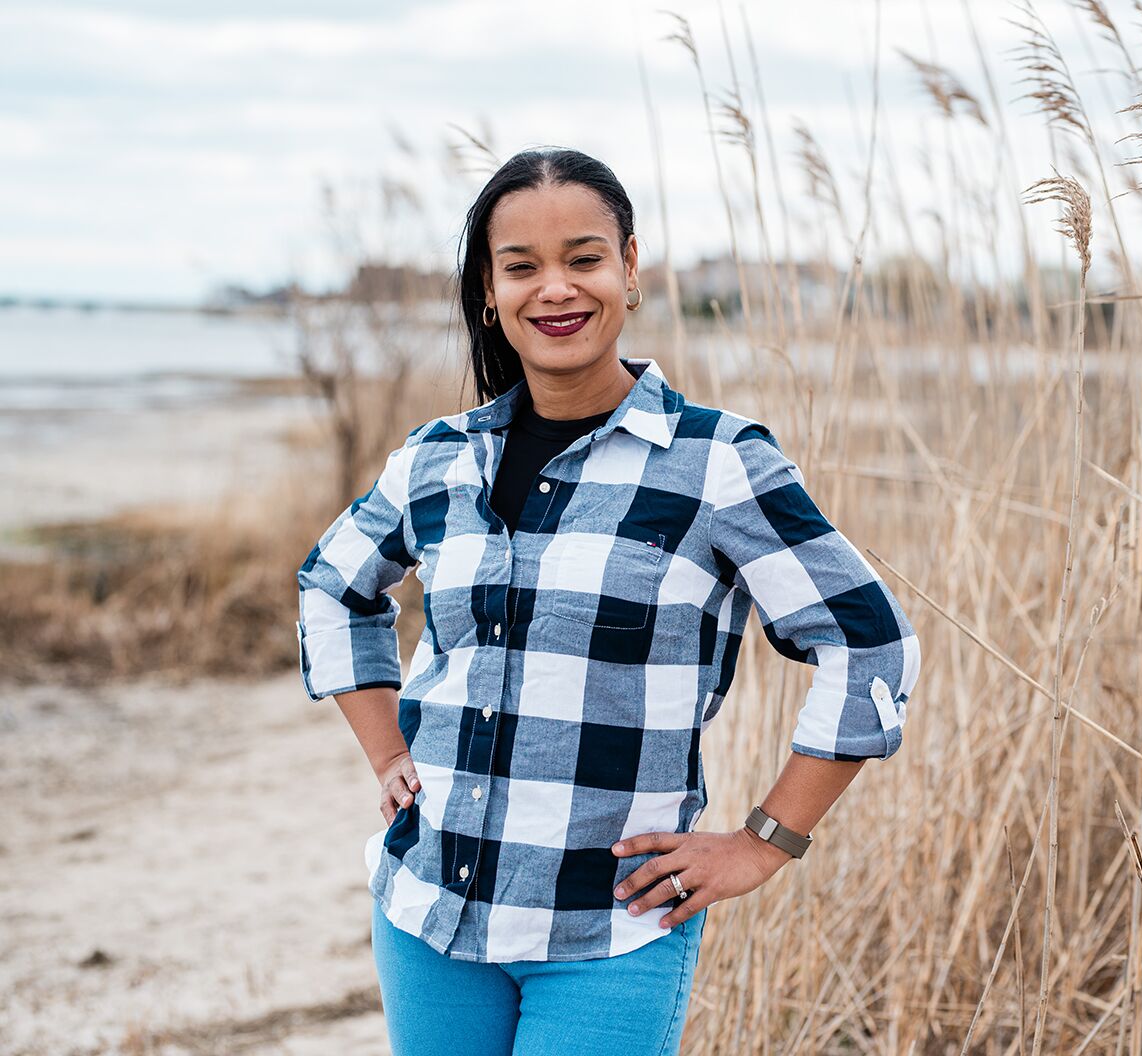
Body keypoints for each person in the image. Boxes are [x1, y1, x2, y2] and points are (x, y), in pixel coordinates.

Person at [294, 146, 922, 1055]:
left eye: (583, 258)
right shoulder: (434, 459)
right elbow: (331, 585)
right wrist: (386, 748)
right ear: (488, 292)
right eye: (522, 267)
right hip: (426, 910)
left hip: (607, 934)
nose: (556, 289)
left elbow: (871, 644)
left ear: (630, 270)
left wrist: (763, 841)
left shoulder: (715, 465)